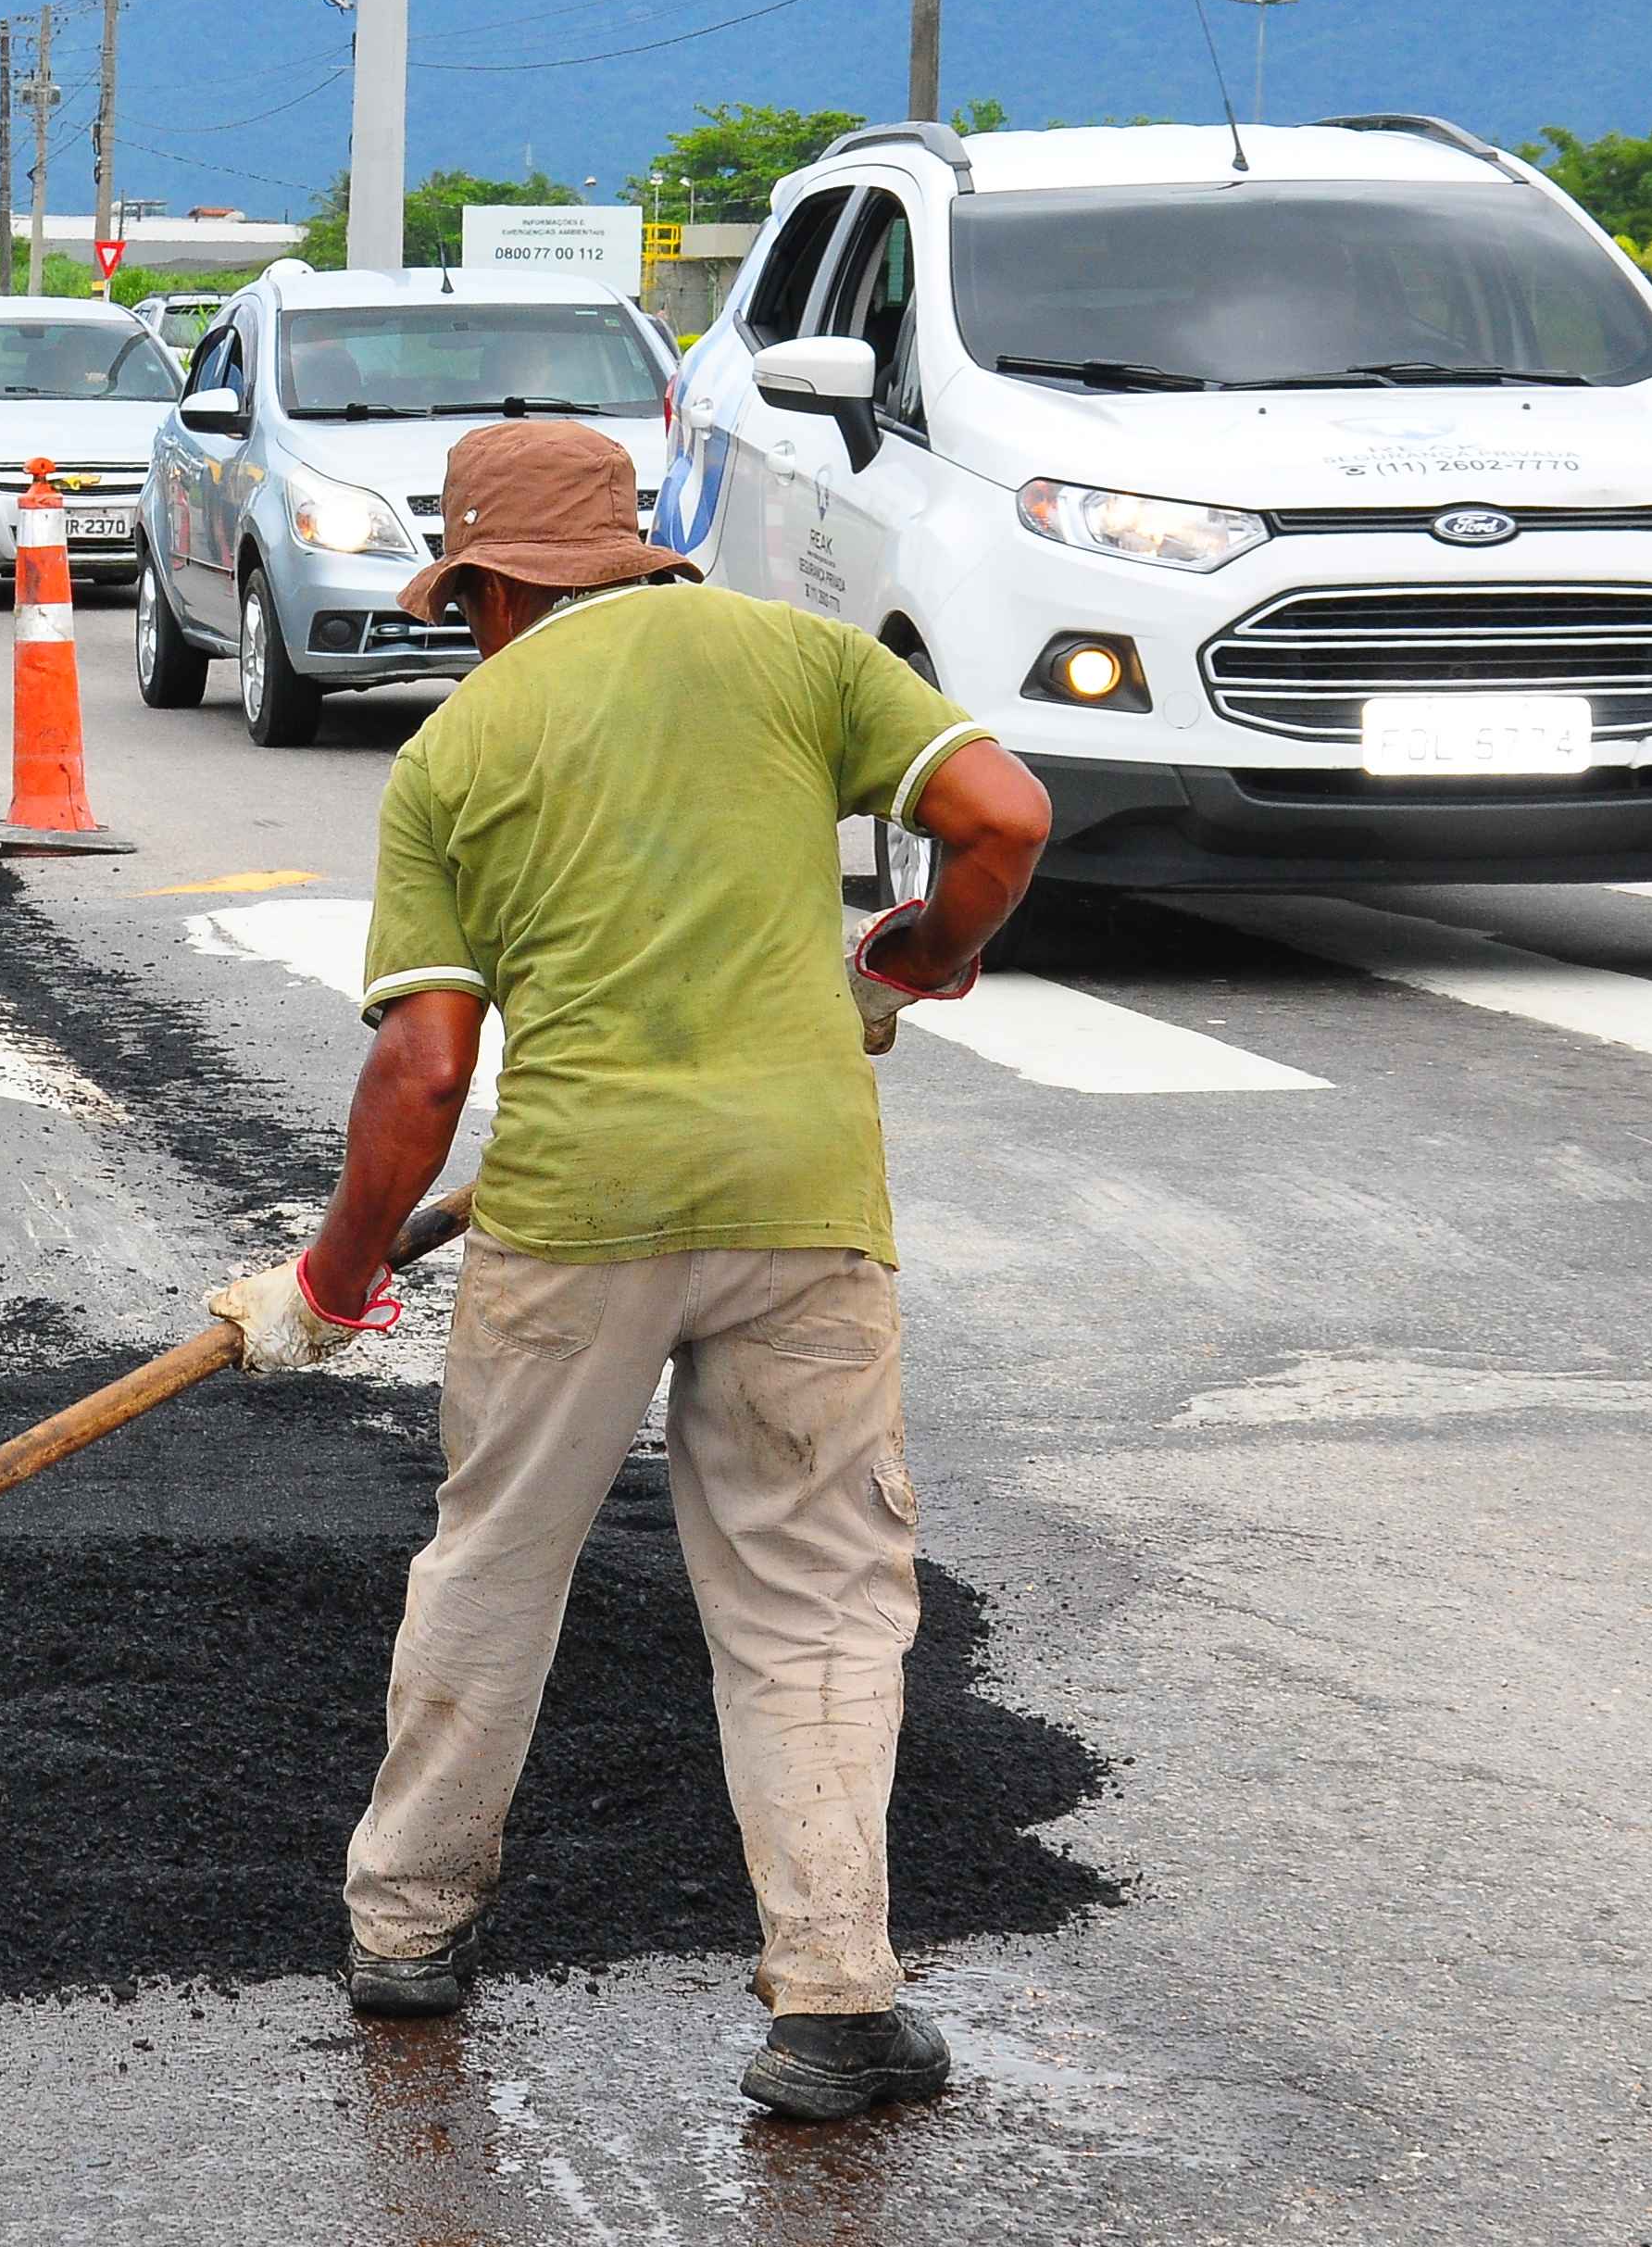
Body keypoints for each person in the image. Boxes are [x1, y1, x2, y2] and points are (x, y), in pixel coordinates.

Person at [198, 420, 1052, 2125]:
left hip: (573, 1213)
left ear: (486, 583)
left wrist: (332, 1276)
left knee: (496, 1560)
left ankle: (404, 1933)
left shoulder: (456, 750)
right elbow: (1003, 813)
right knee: (812, 1596)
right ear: (636, 540)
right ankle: (830, 2002)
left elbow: (426, 1074)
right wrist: (916, 948)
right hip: (802, 1201)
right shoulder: (792, 652)